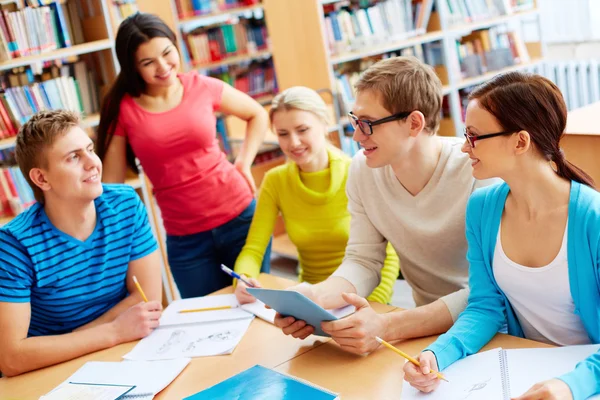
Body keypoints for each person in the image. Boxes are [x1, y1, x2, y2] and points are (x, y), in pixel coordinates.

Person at [273, 56, 496, 353]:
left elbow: (492, 290)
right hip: (424, 330)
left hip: (491, 327)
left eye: (367, 124)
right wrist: (316, 297)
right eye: (354, 121)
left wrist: (390, 326)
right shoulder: (362, 171)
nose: (355, 136)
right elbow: (364, 260)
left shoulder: (478, 171)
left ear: (414, 123)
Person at [404, 72, 600, 400]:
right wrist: (437, 355)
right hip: (528, 372)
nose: (464, 147)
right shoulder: (482, 209)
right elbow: (485, 306)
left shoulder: (591, 219)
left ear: (520, 142)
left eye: (474, 136)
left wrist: (568, 387)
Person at [96, 13, 271, 298]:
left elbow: (257, 114)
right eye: (148, 62)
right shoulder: (123, 109)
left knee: (257, 308)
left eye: (167, 53)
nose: (163, 67)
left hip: (240, 217)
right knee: (206, 325)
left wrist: (243, 163)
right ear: (132, 67)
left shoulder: (203, 86)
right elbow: (112, 184)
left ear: (176, 46)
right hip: (186, 240)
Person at [0, 110, 163, 376]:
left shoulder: (126, 205)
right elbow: (12, 358)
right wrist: (113, 331)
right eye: (74, 157)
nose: (93, 163)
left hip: (121, 354)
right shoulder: (13, 245)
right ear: (41, 179)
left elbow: (147, 298)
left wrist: (81, 338)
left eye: (90, 149)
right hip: (52, 371)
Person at [233, 86, 399, 305]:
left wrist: (372, 306)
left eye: (302, 130)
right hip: (310, 301)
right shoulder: (275, 180)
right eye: (283, 134)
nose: (293, 143)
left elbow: (390, 255)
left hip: (364, 300)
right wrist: (243, 280)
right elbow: (253, 249)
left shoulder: (358, 171)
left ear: (323, 123)